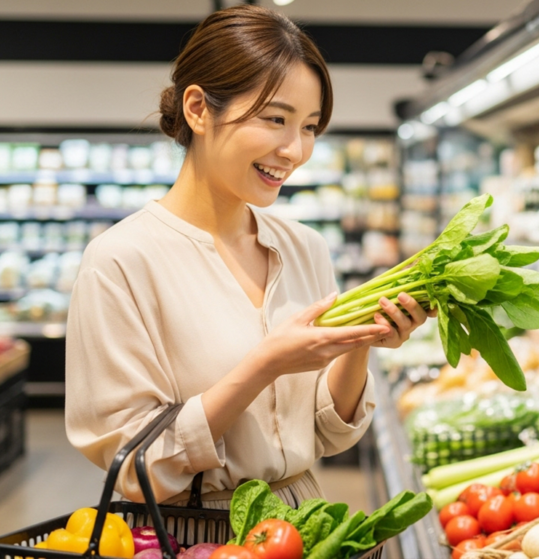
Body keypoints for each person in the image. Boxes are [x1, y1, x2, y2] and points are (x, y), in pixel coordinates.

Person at [65, 5, 429, 510]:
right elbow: (132, 465)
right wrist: (265, 365)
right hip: (193, 530)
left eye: (309, 127)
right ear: (198, 109)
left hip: (300, 519)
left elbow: (328, 433)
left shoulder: (305, 247)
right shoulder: (121, 262)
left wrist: (360, 341)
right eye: (276, 119)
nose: (295, 150)